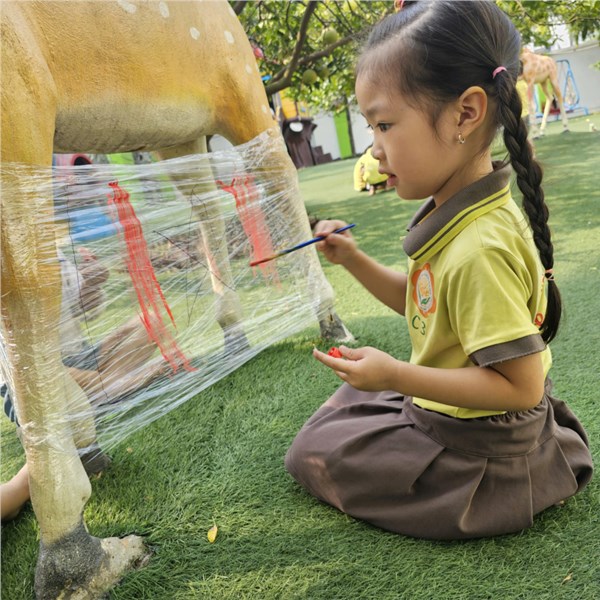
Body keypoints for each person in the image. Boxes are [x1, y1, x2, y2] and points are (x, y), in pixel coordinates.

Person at [285, 0, 593, 540]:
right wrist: (353, 258)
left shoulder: (478, 247)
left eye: (384, 125)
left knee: (314, 452)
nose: (374, 151)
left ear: (465, 114)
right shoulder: (462, 211)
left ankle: (492, 488)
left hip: (480, 442)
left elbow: (520, 388)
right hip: (457, 407)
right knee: (348, 407)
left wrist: (396, 377)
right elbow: (425, 301)